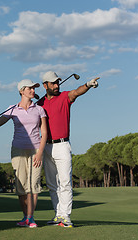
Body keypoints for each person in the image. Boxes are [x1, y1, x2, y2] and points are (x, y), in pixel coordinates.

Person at [37, 71, 100, 228]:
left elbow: (77, 92)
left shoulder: (65, 97)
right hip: (46, 147)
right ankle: (58, 215)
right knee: (52, 184)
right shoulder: (39, 104)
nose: (57, 85)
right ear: (45, 85)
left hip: (62, 145)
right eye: (53, 83)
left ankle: (66, 216)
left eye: (58, 82)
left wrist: (88, 85)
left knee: (65, 182)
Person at [0, 79, 47, 228]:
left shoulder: (39, 109)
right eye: (30, 88)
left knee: (33, 185)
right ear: (21, 91)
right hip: (18, 150)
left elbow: (44, 133)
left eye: (33, 88)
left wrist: (39, 153)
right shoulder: (12, 109)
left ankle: (31, 218)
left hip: (36, 150)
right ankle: (25, 217)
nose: (33, 90)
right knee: (21, 186)